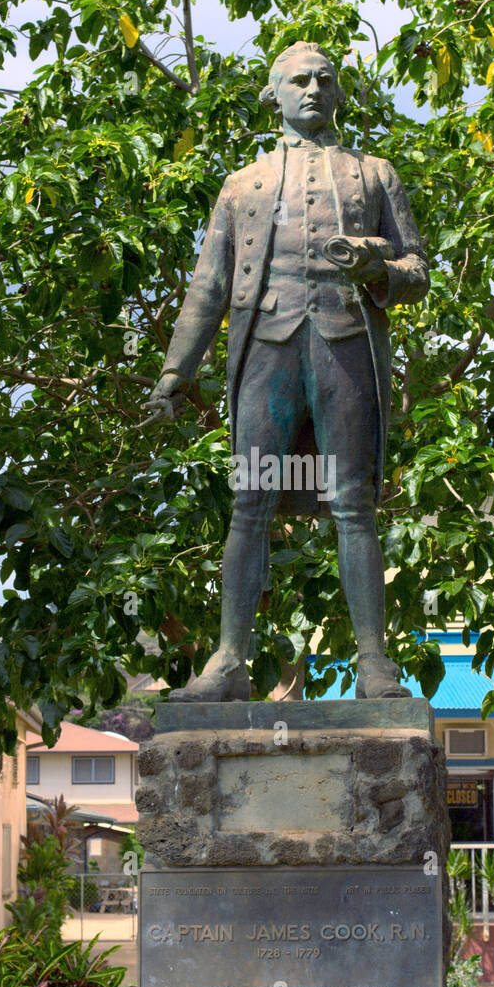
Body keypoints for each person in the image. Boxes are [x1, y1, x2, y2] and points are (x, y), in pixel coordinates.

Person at [148, 41, 429, 700]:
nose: (311, 89)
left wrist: (378, 268)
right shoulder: (241, 185)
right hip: (266, 349)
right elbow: (207, 286)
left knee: (353, 505)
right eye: (297, 80)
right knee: (249, 505)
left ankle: (373, 665)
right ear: (272, 94)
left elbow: (416, 271)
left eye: (323, 80)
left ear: (337, 94)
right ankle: (227, 662)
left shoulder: (374, 174)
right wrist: (174, 373)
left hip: (344, 344)